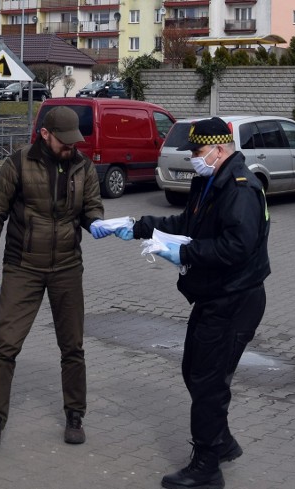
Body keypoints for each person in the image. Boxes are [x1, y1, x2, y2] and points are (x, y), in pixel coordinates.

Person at [114, 117, 270, 489]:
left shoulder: (240, 189)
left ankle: (206, 466)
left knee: (207, 380)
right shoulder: (209, 179)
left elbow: (238, 247)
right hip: (215, 296)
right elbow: (188, 221)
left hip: (236, 298)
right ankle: (222, 443)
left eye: (198, 152)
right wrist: (139, 226)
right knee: (195, 371)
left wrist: (183, 253)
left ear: (218, 149)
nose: (193, 159)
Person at [0, 106, 112, 452]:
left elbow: (92, 204)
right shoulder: (18, 163)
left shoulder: (82, 165)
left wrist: (95, 221)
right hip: (23, 266)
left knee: (73, 346)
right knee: (5, 344)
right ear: (45, 135)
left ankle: (75, 416)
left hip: (67, 267)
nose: (71, 148)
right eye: (64, 142)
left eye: (74, 142)